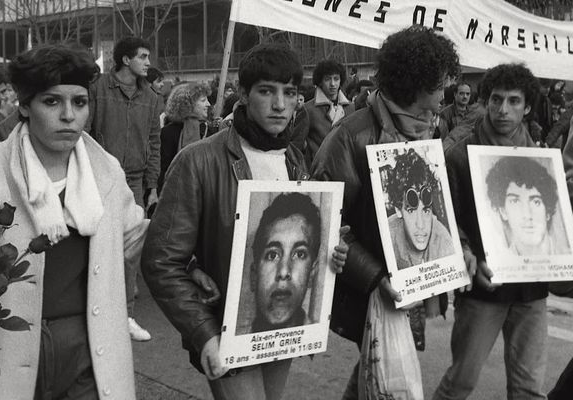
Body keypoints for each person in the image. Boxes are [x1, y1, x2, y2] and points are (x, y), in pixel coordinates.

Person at [142, 43, 347, 400]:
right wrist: (203, 332)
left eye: (290, 93)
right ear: (244, 94)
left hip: (282, 323)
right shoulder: (198, 160)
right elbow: (161, 260)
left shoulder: (294, 160)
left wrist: (330, 250)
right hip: (225, 327)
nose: (280, 105)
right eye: (267, 91)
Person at [0, 43, 145, 400]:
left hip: (89, 346)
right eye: (52, 102)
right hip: (6, 346)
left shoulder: (107, 172)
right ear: (23, 105)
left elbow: (136, 238)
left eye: (79, 102)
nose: (69, 115)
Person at [311, 25, 461, 399]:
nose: (443, 99)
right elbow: (326, 226)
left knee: (379, 371)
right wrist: (376, 276)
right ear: (412, 85)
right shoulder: (349, 137)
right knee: (385, 369)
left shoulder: (426, 131)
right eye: (436, 88)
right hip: (373, 288)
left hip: (411, 285)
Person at [433, 63, 548, 400]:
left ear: (527, 107)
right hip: (483, 288)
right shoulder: (458, 155)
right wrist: (466, 255)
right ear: (484, 102)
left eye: (514, 102)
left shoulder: (541, 158)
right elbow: (446, 220)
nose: (502, 110)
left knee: (529, 389)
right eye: (496, 100)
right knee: (461, 382)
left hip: (532, 290)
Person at [86, 36, 161, 341]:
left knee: (130, 249)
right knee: (94, 244)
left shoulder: (152, 98)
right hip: (98, 177)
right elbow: (85, 135)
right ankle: (92, 313)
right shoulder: (98, 89)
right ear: (125, 60)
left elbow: (154, 143)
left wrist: (152, 184)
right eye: (142, 56)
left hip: (134, 181)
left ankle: (126, 316)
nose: (147, 62)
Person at [249, 192, 321, 333]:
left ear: (312, 274)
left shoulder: (315, 339)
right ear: (254, 275)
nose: (283, 272)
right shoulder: (230, 345)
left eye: (300, 254)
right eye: (272, 255)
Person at [386, 149, 453, 270]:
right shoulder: (388, 234)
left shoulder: (444, 242)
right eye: (411, 211)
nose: (421, 225)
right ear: (398, 210)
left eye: (426, 210)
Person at [486, 156, 563, 256]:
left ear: (547, 212)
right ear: (503, 212)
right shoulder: (497, 264)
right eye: (515, 201)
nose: (527, 215)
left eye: (536, 202)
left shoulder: (568, 257)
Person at [158, 82, 211, 193]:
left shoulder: (210, 129)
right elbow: (164, 169)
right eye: (203, 101)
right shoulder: (168, 133)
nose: (208, 104)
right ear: (187, 104)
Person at [300, 59, 355, 165]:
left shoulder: (351, 108)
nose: (333, 84)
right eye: (327, 79)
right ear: (320, 81)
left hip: (347, 169)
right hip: (319, 172)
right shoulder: (308, 109)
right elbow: (296, 147)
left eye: (336, 79)